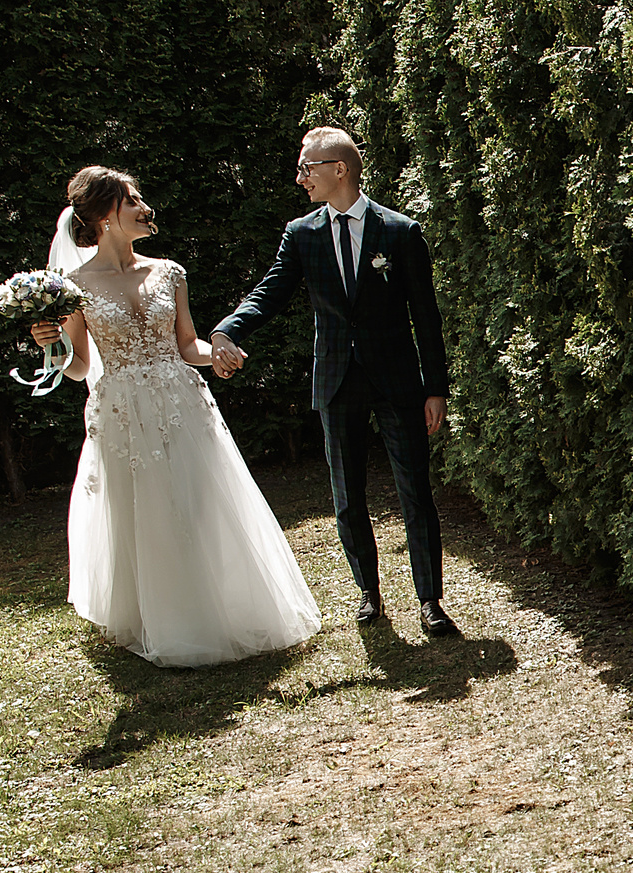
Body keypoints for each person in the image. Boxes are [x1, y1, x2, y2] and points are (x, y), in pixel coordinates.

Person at [29, 167, 322, 668]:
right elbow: (80, 366)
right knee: (146, 515)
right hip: (121, 411)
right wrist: (52, 345)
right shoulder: (73, 288)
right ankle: (164, 620)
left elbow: (188, 346)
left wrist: (220, 353)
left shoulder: (169, 271)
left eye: (142, 199)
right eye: (133, 202)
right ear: (104, 216)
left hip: (182, 402)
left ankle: (224, 607)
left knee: (200, 503)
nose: (146, 209)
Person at [210, 127, 456, 636]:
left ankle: (429, 600)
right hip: (337, 381)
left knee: (416, 492)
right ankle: (369, 593)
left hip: (398, 382)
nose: (300, 178)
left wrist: (436, 388)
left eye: (307, 167)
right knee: (347, 496)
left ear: (338, 169)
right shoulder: (302, 234)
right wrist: (226, 329)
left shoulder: (401, 231)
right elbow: (270, 292)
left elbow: (426, 317)